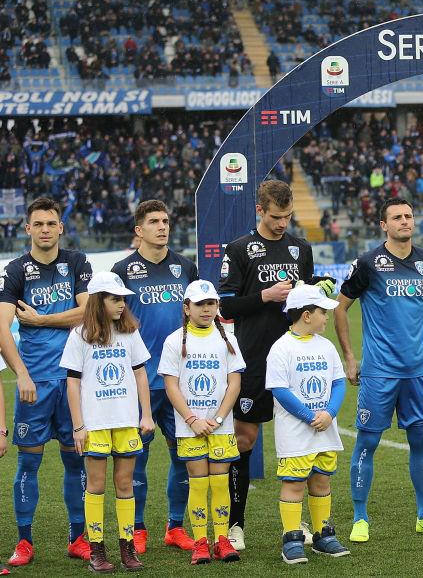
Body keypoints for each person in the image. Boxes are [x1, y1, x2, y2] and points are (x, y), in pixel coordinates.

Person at [335, 197, 423, 543]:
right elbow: (341, 309)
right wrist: (349, 357)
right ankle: (360, 518)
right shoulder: (368, 263)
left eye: (409, 216)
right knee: (368, 441)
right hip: (380, 372)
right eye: (397, 217)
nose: (405, 221)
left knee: (422, 439)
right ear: (383, 225)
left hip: (419, 372)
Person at [218, 179, 329, 549]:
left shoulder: (301, 248)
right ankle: (236, 524)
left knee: (303, 440)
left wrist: (319, 288)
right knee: (245, 439)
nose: (283, 224)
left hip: (298, 362)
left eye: (288, 216)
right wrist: (264, 296)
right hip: (253, 358)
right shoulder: (238, 250)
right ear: (260, 210)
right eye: (276, 217)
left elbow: (310, 300)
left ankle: (301, 527)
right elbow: (224, 305)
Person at [0, 197, 93, 567]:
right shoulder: (17, 270)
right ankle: (25, 542)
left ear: (60, 227)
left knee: (76, 463)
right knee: (29, 464)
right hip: (35, 384)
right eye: (38, 224)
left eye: (50, 223)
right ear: (27, 229)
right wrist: (21, 372)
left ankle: (78, 537)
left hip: (73, 381)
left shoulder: (76, 262)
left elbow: (89, 310)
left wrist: (39, 321)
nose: (44, 229)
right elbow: (2, 327)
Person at [112, 199, 199, 553]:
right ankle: (138, 527)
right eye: (153, 221)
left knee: (183, 457)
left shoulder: (186, 267)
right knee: (137, 459)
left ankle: (175, 527)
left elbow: (199, 318)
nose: (162, 226)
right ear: (139, 230)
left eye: (165, 221)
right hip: (140, 383)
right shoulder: (122, 270)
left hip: (180, 380)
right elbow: (114, 324)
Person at [60, 271, 154, 573]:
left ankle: (127, 547)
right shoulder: (79, 335)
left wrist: (146, 414)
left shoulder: (129, 332)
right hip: (95, 423)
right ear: (99, 301)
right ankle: (96, 550)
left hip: (126, 421)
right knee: (97, 485)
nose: (121, 305)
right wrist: (78, 426)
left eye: (123, 300)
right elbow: (72, 383)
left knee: (125, 483)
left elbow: (140, 374)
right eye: (115, 299)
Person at [158, 280, 244, 565]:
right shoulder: (173, 341)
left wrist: (218, 418)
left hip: (221, 426)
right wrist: (193, 419)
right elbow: (171, 386)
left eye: (211, 303)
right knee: (198, 484)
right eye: (200, 304)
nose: (207, 309)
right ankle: (201, 543)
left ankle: (222, 541)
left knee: (219, 484)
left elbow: (234, 382)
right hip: (190, 427)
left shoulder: (227, 339)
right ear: (186, 308)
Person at [268, 284, 349, 564]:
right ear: (305, 315)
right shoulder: (281, 348)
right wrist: (310, 416)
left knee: (322, 479)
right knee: (294, 483)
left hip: (325, 428)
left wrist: (330, 412)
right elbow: (279, 390)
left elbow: (338, 383)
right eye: (322, 312)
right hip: (296, 432)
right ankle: (291, 538)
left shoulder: (326, 346)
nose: (327, 317)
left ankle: (322, 534)